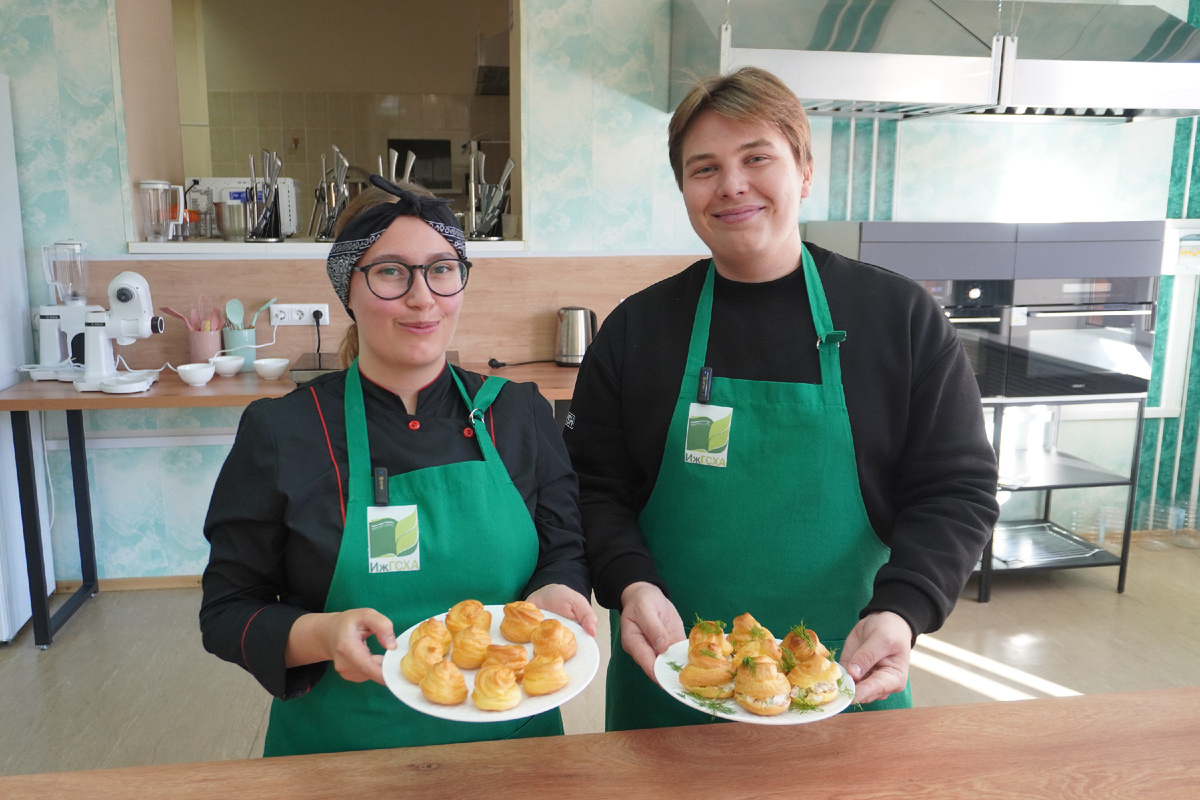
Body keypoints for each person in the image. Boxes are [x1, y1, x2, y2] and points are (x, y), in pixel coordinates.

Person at [561, 67, 999, 730]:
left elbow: (957, 488)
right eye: (703, 168)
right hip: (673, 684)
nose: (732, 185)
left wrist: (904, 609)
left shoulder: (898, 318)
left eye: (757, 158)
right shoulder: (638, 330)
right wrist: (629, 583)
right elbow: (595, 486)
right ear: (683, 188)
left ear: (804, 169)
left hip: (849, 682)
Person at [200, 176, 597, 756]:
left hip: (513, 742)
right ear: (348, 290)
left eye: (441, 268)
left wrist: (557, 591)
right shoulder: (285, 432)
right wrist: (320, 635)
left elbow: (564, 548)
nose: (423, 298)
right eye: (391, 272)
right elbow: (227, 611)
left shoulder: (517, 415)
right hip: (344, 751)